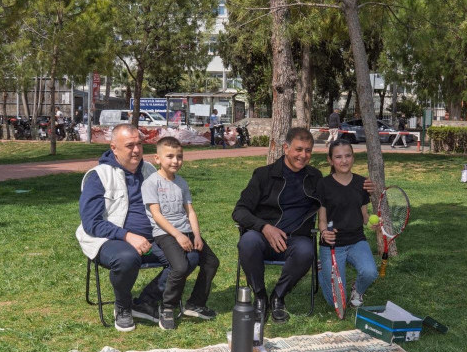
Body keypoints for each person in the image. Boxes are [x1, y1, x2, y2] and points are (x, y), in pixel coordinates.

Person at [76, 124, 170, 332]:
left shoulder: (149, 171)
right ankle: (123, 307)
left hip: (151, 239)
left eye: (139, 144)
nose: (136, 150)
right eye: (129, 145)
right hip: (109, 240)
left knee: (187, 255)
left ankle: (146, 302)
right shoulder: (98, 176)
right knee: (127, 258)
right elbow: (92, 223)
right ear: (114, 148)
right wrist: (127, 236)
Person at [232, 126, 323, 324]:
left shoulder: (314, 177)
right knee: (247, 241)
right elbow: (239, 211)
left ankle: (278, 297)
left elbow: (334, 194)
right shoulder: (264, 175)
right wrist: (265, 227)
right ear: (286, 148)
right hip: (262, 239)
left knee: (306, 250)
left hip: (295, 240)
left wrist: (360, 186)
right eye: (298, 149)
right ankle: (260, 297)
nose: (303, 155)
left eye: (308, 150)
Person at [141, 137, 220, 330]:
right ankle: (168, 307)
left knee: (211, 262)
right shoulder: (151, 183)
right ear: (157, 158)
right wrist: (177, 235)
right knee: (180, 267)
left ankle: (195, 303)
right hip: (165, 233)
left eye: (179, 156)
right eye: (170, 156)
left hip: (186, 231)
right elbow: (156, 215)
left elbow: (190, 211)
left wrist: (197, 235)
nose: (175, 161)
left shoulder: (181, 183)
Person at [317, 139, 378, 308]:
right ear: (330, 160)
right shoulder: (323, 184)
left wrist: (371, 223)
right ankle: (321, 269)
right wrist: (323, 232)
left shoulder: (362, 183)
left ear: (353, 157)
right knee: (336, 303)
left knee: (370, 272)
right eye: (338, 157)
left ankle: (357, 290)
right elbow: (322, 219)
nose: (344, 161)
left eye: (348, 156)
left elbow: (364, 215)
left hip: (356, 240)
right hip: (332, 244)